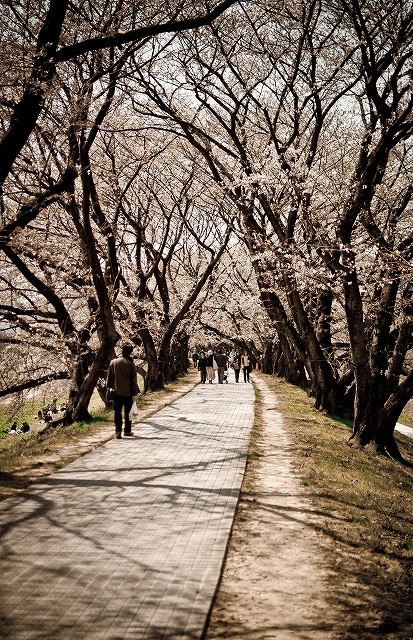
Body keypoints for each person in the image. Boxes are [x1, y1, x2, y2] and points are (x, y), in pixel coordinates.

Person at [107, 344, 139, 439]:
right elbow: (133, 380)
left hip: (116, 392)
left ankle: (118, 431)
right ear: (130, 352)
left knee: (117, 412)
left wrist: (109, 389)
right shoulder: (130, 363)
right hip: (128, 392)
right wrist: (134, 393)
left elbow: (109, 378)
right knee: (128, 412)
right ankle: (127, 430)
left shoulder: (113, 362)